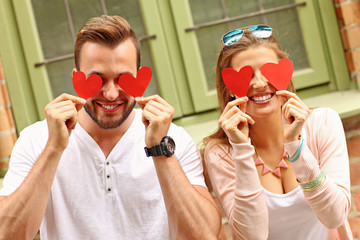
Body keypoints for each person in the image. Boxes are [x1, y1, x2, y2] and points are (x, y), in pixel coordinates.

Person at [0, 15, 221, 240]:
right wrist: (53, 149)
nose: (111, 94)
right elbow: (7, 234)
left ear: (139, 77)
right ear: (77, 78)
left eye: (123, 79)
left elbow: (205, 235)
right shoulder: (35, 140)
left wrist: (159, 149)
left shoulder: (173, 139)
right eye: (97, 79)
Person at [203, 25, 352, 239]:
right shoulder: (220, 152)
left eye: (267, 71)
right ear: (229, 88)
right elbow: (253, 235)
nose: (260, 83)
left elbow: (335, 217)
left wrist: (295, 145)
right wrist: (241, 147)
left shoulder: (323, 123)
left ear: (285, 74)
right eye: (246, 76)